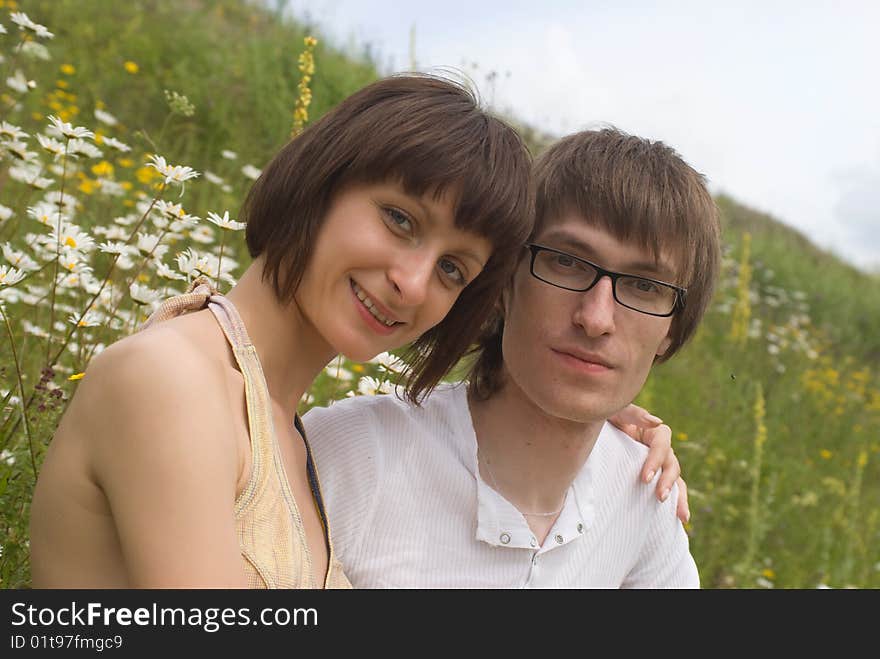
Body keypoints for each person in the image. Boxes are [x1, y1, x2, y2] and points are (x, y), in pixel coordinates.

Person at [29, 74, 679, 589]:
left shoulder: (285, 431)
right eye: (400, 219)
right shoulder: (175, 380)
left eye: (453, 268)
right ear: (324, 176)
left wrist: (589, 428)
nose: (414, 281)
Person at [303, 127, 721, 588]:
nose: (596, 318)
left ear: (671, 330)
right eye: (567, 262)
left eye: (645, 286)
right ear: (504, 282)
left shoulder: (645, 498)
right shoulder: (352, 454)